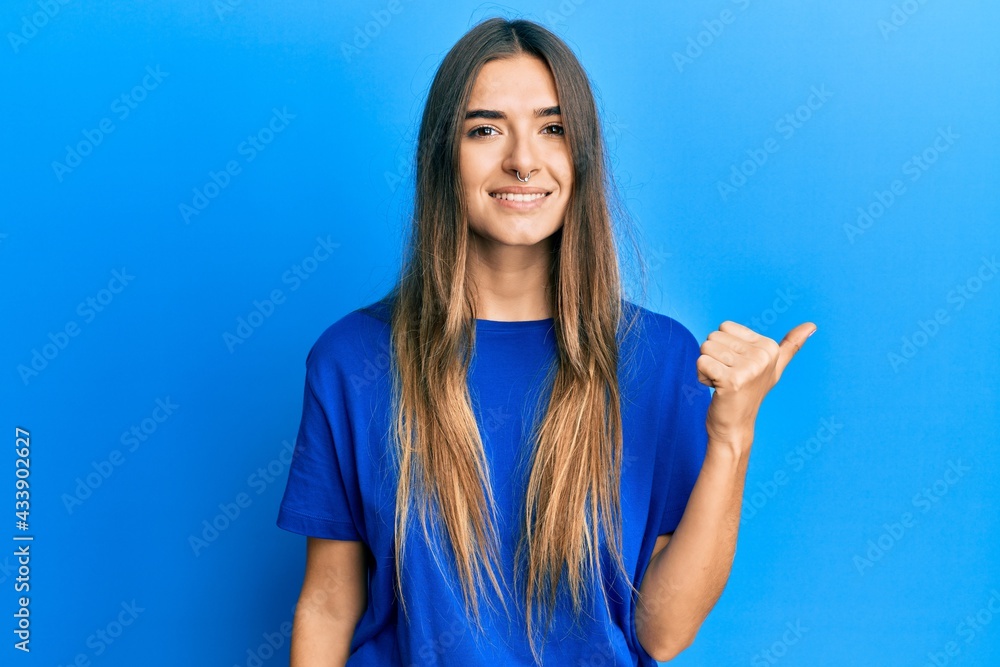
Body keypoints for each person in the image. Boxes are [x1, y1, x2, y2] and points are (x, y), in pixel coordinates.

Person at [276, 16, 815, 666]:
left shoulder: (659, 358)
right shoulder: (351, 361)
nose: (523, 158)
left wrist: (732, 435)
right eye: (485, 129)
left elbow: (662, 631)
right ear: (443, 153)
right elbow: (329, 602)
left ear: (580, 155)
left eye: (552, 128)